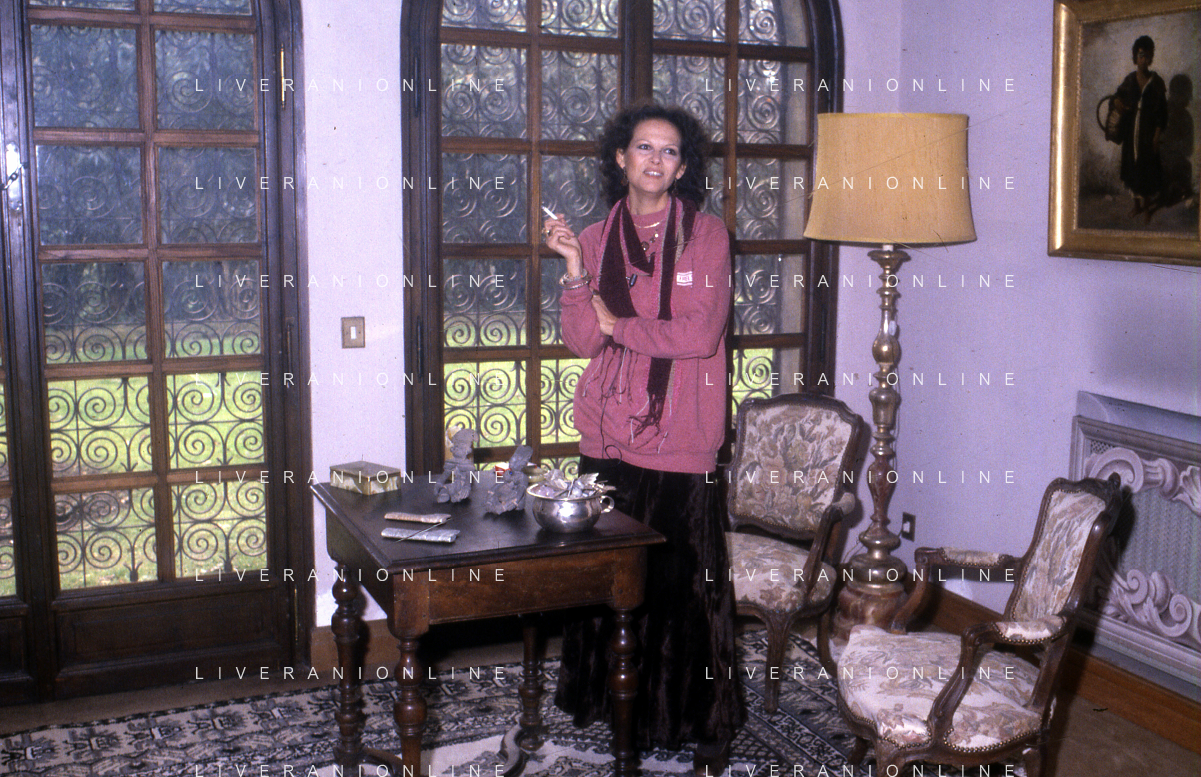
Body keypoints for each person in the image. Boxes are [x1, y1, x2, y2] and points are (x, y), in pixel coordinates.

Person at [542, 102, 744, 775]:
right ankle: (607, 704)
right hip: (606, 433)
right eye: (643, 147)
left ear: (682, 168)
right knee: (605, 579)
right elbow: (582, 341)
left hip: (680, 437)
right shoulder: (595, 236)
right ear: (620, 158)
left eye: (669, 151)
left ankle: (699, 720)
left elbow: (698, 334)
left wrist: (616, 322)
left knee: (684, 588)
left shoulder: (705, 235)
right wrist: (575, 270)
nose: (655, 159)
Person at [1114, 35, 1169, 219]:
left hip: (1147, 133)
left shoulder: (1157, 82)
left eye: (1147, 56)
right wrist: (1117, 102)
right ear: (1135, 57)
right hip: (1131, 132)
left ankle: (1147, 207)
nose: (1144, 60)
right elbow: (1117, 97)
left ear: (1151, 57)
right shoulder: (1130, 80)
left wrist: (1156, 136)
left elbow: (1162, 113)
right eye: (1141, 56)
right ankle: (1136, 206)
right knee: (1132, 167)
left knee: (1147, 169)